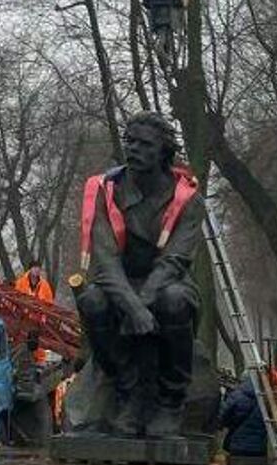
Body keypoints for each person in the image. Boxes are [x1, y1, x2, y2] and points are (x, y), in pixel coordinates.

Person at [72, 112, 202, 438]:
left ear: (163, 151)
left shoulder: (187, 197)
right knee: (92, 301)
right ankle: (128, 392)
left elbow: (175, 260)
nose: (134, 149)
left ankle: (171, 400)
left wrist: (142, 303)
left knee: (174, 302)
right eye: (130, 141)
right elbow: (105, 260)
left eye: (144, 144)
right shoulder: (105, 190)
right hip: (120, 283)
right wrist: (133, 306)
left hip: (167, 283)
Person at [215, 373, 267, 459]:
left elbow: (223, 415)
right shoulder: (264, 397)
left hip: (237, 444)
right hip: (259, 447)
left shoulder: (236, 396)